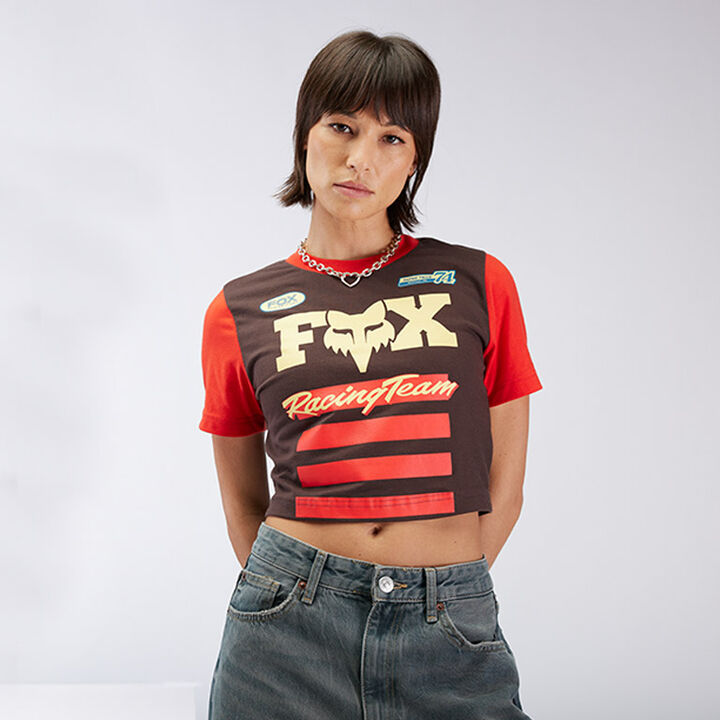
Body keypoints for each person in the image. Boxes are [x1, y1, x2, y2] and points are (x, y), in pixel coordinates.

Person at [199, 29, 542, 720]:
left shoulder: (479, 281)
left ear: (415, 160)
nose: (360, 159)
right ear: (305, 134)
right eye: (341, 127)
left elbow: (506, 483)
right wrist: (292, 589)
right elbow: (242, 501)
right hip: (285, 632)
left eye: (392, 138)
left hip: (448, 622)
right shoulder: (237, 308)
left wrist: (446, 588)